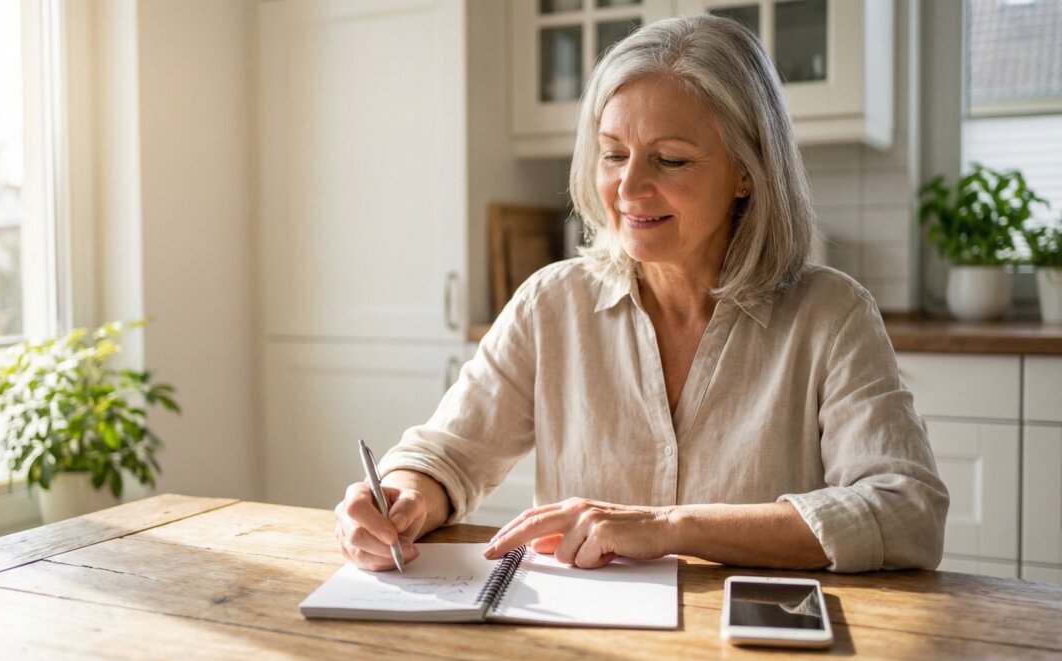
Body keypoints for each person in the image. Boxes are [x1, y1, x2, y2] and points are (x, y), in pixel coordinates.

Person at [334, 15, 948, 573]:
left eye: (671, 160)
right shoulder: (551, 305)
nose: (629, 187)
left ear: (747, 171)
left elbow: (907, 511)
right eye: (613, 154)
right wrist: (402, 496)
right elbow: (446, 455)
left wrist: (670, 527)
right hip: (583, 640)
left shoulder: (832, 315)